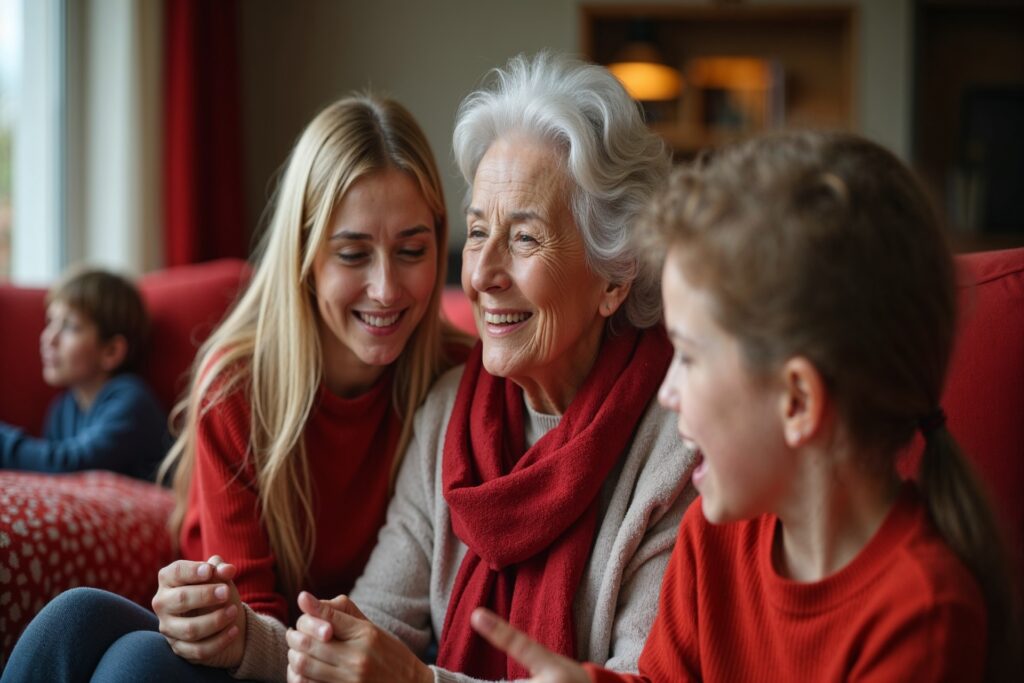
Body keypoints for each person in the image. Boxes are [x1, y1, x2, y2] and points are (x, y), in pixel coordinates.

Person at [467, 131, 1021, 682]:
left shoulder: (924, 617)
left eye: (688, 356)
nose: (667, 391)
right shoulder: (712, 540)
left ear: (797, 401)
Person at [1, 93, 469, 682]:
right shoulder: (238, 383)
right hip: (254, 641)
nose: (386, 288)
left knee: (135, 663)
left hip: (359, 659)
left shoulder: (459, 379)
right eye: (353, 253)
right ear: (303, 253)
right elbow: (248, 620)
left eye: (412, 251)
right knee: (74, 617)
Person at [279, 52, 697, 683]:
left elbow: (639, 677)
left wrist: (418, 681)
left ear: (615, 276)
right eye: (477, 233)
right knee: (97, 626)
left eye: (525, 238)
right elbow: (373, 628)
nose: (481, 275)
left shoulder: (678, 439)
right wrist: (244, 637)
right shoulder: (450, 410)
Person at [0, 267, 168, 480]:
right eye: (50, 322)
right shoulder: (62, 409)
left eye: (69, 327)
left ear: (111, 351)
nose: (49, 338)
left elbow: (73, 466)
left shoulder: (131, 400)